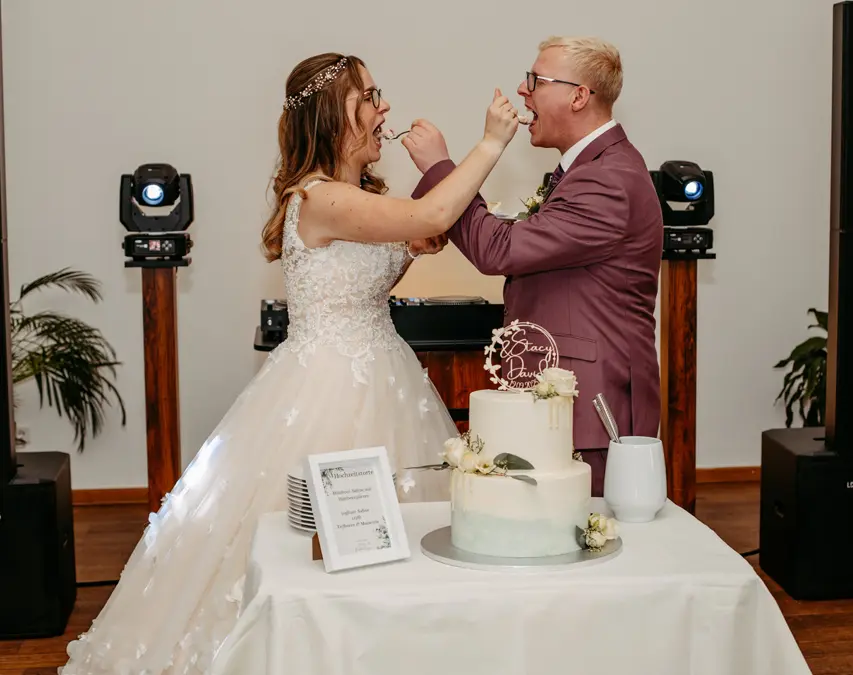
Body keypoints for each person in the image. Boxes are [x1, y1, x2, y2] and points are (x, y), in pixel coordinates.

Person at [60, 52, 519, 674]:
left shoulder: (357, 196)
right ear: (337, 117)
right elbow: (436, 212)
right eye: (371, 97)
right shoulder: (320, 197)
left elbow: (375, 274)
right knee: (314, 545)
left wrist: (408, 247)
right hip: (325, 390)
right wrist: (490, 142)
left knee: (395, 543)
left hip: (387, 373)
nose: (385, 108)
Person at [405, 36, 663, 496]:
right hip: (560, 397)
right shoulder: (590, 169)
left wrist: (440, 168)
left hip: (591, 405)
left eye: (535, 81)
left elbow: (499, 251)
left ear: (578, 96)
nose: (523, 93)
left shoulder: (607, 179)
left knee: (589, 545)